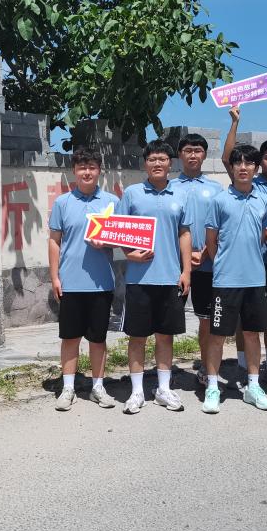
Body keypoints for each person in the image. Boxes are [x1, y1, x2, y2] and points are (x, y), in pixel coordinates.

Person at [115, 140, 193, 414]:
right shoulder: (132, 194)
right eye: (152, 159)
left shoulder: (181, 194)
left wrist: (186, 271)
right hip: (139, 279)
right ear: (145, 164)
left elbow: (185, 233)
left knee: (165, 337)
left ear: (170, 163)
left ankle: (163, 389)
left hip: (170, 278)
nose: (157, 163)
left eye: (162, 159)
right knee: (137, 337)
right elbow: (119, 230)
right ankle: (137, 391)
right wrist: (130, 254)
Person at [202, 143, 267, 413]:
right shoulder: (219, 200)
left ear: (256, 168)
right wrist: (224, 264)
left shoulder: (265, 200)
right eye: (238, 163)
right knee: (217, 336)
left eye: (249, 163)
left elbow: (264, 233)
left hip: (255, 279)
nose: (243, 168)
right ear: (232, 168)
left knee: (252, 334)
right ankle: (212, 386)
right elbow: (211, 242)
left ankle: (253, 387)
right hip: (225, 281)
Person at [48, 146, 121, 411]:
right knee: (70, 338)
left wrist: (107, 242)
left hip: (101, 283)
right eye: (82, 167)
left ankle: (98, 387)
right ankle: (68, 388)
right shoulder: (63, 203)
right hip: (70, 282)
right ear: (74, 171)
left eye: (91, 167)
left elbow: (122, 239)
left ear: (99, 170)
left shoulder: (112, 202)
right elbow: (54, 241)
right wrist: (55, 277)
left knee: (98, 339)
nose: (86, 172)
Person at [222, 105, 267, 375]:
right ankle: (241, 365)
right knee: (243, 319)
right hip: (247, 263)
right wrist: (235, 123)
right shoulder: (249, 181)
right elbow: (227, 158)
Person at [170, 133, 223, 378]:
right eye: (188, 150)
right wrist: (184, 256)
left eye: (198, 150)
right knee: (168, 321)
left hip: (207, 264)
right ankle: (165, 373)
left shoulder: (216, 189)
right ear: (179, 155)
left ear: (205, 154)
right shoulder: (169, 187)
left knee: (206, 320)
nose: (193, 155)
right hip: (175, 266)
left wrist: (204, 252)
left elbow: (221, 226)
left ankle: (205, 367)